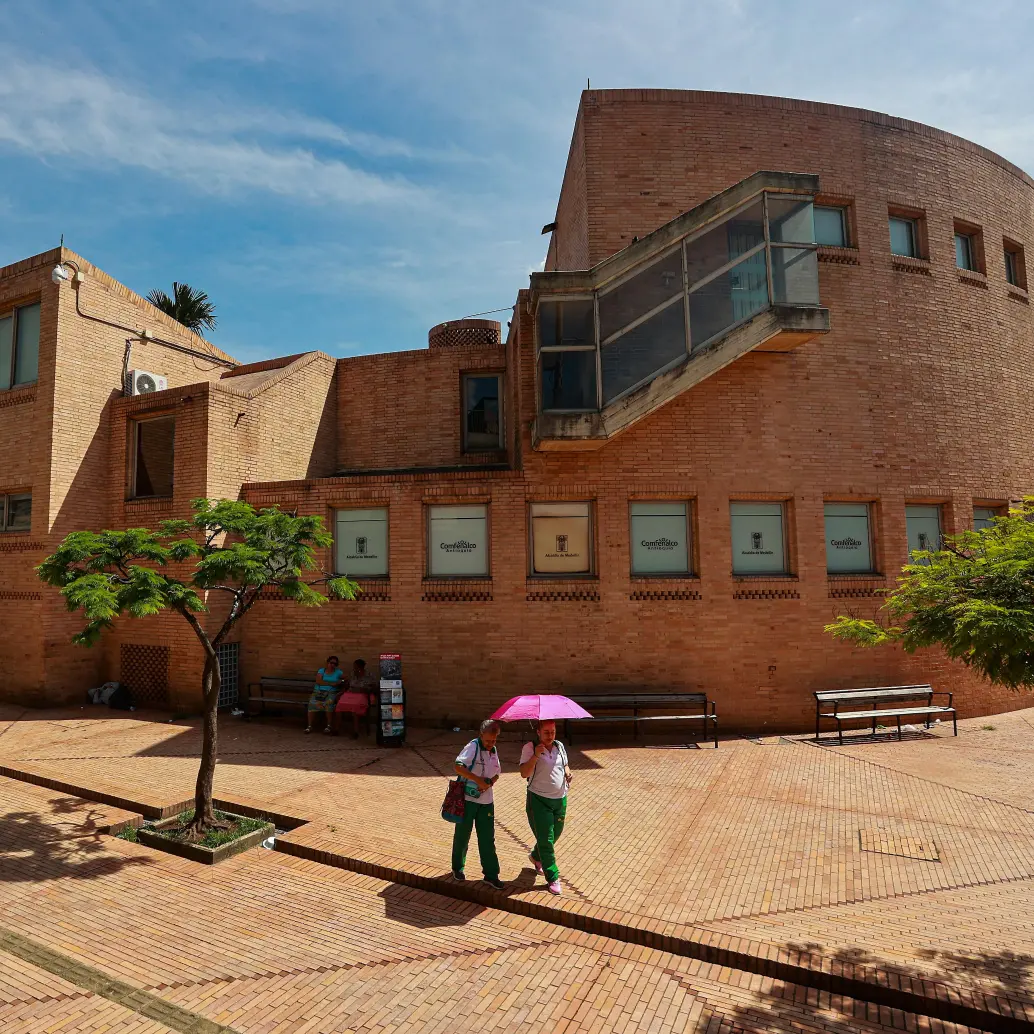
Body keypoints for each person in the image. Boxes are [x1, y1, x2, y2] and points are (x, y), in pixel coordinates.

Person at [519, 719, 572, 896]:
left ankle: (536, 856)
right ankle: (552, 877)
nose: (551, 736)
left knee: (556, 833)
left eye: (553, 732)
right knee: (547, 839)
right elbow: (524, 773)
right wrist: (535, 755)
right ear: (538, 732)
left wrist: (567, 771)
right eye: (547, 732)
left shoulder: (559, 746)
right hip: (539, 800)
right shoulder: (529, 747)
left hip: (560, 799)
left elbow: (564, 763)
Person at [451, 720, 505, 889]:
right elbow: (458, 766)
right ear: (481, 735)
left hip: (486, 802)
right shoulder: (473, 746)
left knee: (487, 839)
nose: (490, 744)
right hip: (468, 801)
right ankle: (457, 867)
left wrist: (490, 782)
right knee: (462, 835)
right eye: (488, 740)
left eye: (494, 740)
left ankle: (491, 874)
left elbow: (497, 773)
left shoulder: (494, 750)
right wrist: (477, 780)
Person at [333, 658, 376, 738]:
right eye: (354, 667)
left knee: (355, 707)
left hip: (362, 694)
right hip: (350, 693)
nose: (355, 668)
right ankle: (336, 729)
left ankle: (355, 731)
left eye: (357, 667)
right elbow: (348, 684)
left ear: (361, 667)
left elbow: (373, 686)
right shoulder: (353, 674)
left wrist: (366, 689)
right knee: (339, 705)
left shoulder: (369, 675)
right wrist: (343, 684)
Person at [305, 656, 345, 733]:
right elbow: (319, 681)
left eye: (335, 663)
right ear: (327, 663)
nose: (332, 665)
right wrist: (331, 683)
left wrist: (341, 681)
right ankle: (309, 726)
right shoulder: (321, 671)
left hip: (331, 692)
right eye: (331, 663)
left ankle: (328, 726)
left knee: (329, 704)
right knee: (312, 704)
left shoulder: (338, 672)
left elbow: (346, 678)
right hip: (319, 691)